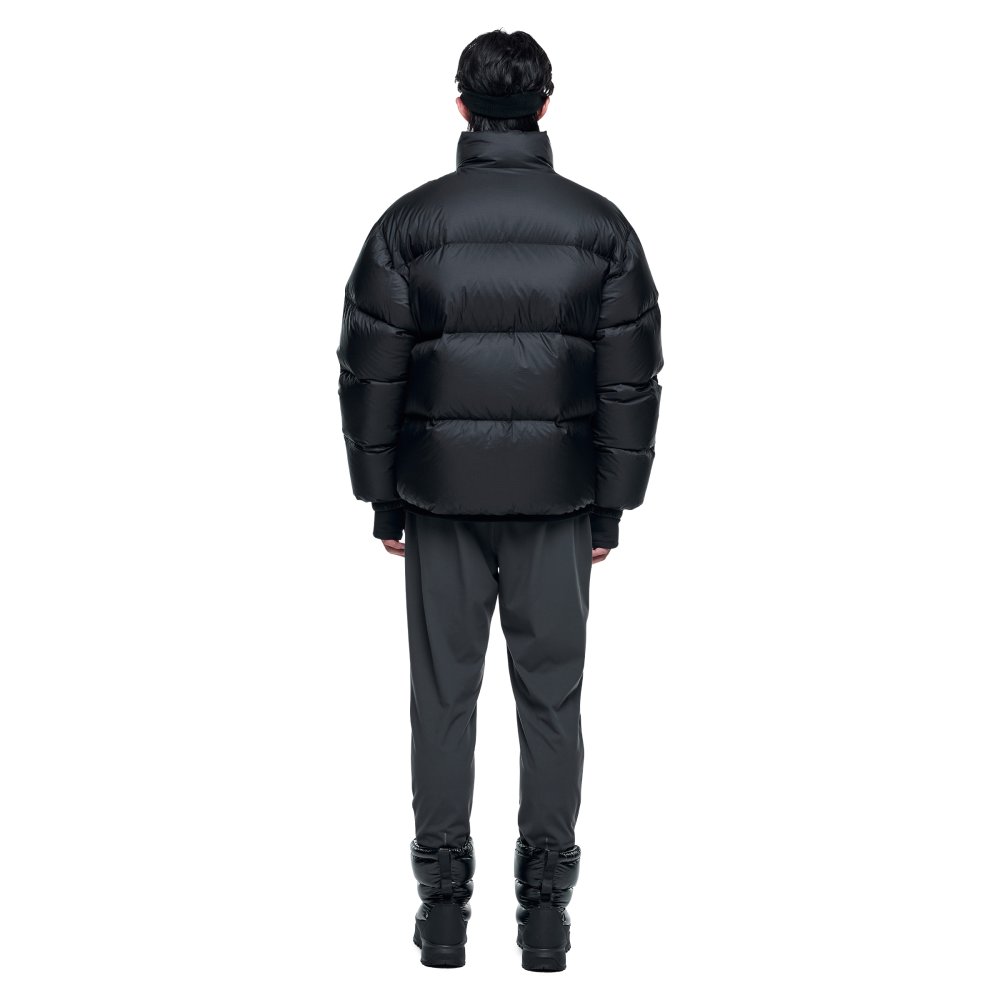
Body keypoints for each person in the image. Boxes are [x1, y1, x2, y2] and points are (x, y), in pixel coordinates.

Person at [337, 29, 662, 972]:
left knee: (442, 698)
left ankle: (442, 913)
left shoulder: (408, 227)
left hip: (440, 502)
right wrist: (611, 508)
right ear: (546, 106)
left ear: (461, 106)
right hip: (557, 506)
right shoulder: (601, 229)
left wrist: (383, 500)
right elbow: (630, 381)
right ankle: (546, 916)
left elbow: (368, 375)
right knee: (551, 702)